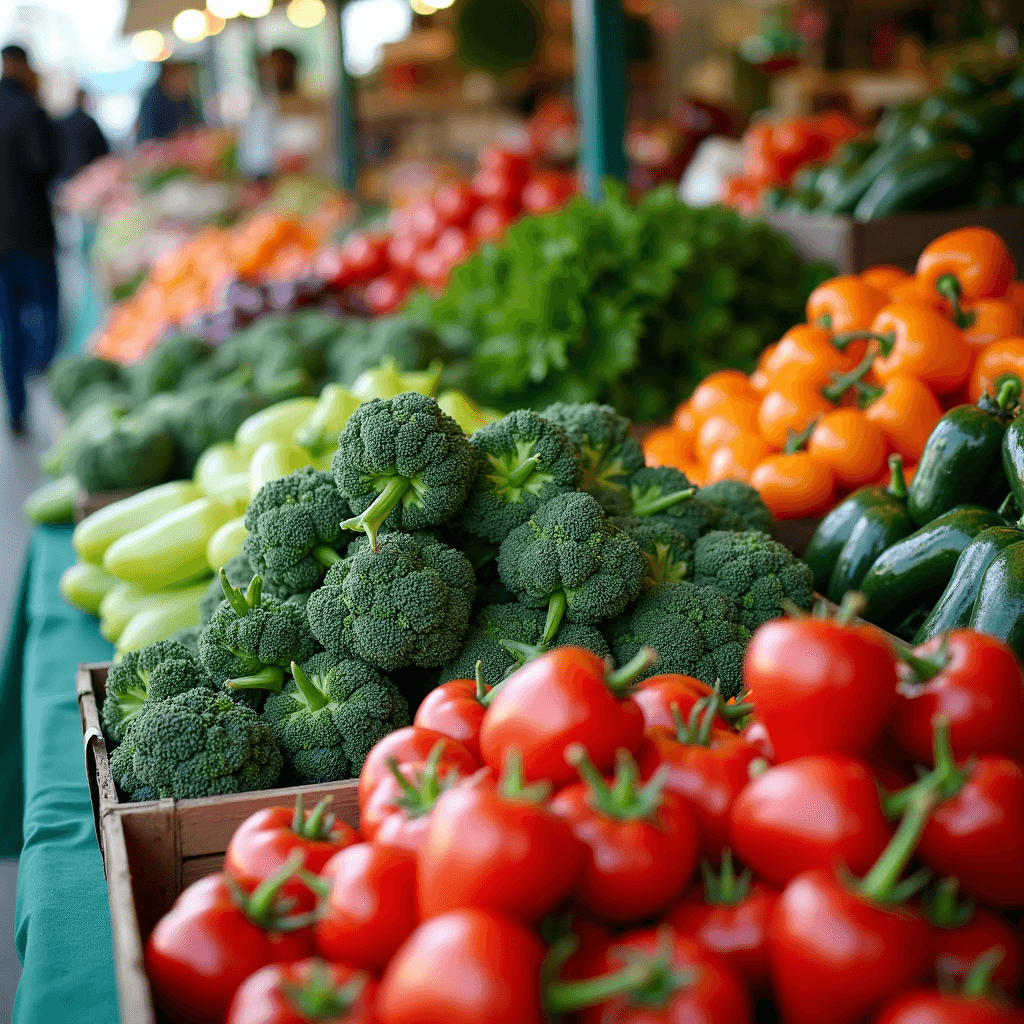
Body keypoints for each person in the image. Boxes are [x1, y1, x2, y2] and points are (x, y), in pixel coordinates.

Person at [0, 43, 59, 436]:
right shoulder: (29, 110)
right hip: (31, 236)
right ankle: (48, 383)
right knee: (47, 315)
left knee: (7, 325)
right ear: (22, 66)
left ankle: (17, 407)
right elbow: (43, 165)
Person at [136, 60, 201, 144]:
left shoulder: (185, 99)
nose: (185, 79)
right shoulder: (152, 100)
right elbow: (147, 140)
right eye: (180, 74)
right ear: (168, 73)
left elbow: (197, 127)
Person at [55, 89, 110, 184]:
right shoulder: (88, 121)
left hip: (64, 176)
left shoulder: (62, 122)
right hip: (86, 175)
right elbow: (103, 152)